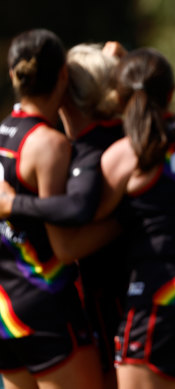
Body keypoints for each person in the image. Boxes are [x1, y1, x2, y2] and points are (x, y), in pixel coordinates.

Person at [43, 47, 175, 389]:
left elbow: (75, 229)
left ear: (118, 97)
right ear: (170, 93)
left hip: (162, 300)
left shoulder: (127, 153)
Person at [0, 42, 127, 389]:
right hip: (52, 309)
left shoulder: (9, 134)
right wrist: (124, 221)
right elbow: (67, 245)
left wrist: (13, 205)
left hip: (8, 309)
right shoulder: (66, 145)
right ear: (61, 81)